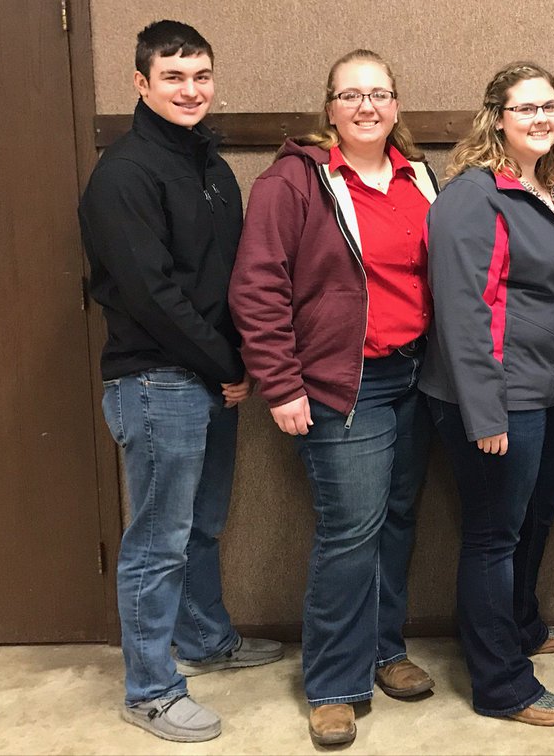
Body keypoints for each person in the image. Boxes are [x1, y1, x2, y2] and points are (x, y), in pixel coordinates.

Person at [78, 20, 284, 744]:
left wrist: (239, 362)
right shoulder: (124, 175)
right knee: (157, 541)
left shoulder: (211, 167)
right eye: (173, 77)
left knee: (201, 525)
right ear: (140, 83)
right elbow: (151, 296)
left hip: (212, 381)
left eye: (200, 76)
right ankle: (151, 689)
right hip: (157, 383)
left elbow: (231, 282)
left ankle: (203, 639)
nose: (189, 90)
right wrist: (228, 365)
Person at [229, 49, 438, 747]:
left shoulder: (419, 178)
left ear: (397, 104)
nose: (367, 107)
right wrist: (281, 384)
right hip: (345, 387)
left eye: (379, 94)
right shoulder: (294, 183)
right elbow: (256, 290)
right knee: (350, 533)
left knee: (398, 520)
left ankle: (383, 650)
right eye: (351, 95)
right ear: (330, 109)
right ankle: (334, 685)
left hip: (415, 377)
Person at [419, 61, 554, 726]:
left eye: (550, 107)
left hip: (550, 387)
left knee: (536, 515)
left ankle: (520, 626)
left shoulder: (550, 187)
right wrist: (485, 411)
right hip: (493, 394)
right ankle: (501, 684)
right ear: (497, 118)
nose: (543, 118)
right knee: (493, 535)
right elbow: (464, 312)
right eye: (526, 109)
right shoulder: (473, 197)